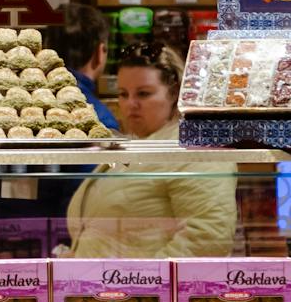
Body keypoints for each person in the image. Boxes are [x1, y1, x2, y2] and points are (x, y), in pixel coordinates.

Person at [65, 42, 238, 258]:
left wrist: (146, 283)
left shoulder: (194, 150)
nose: (130, 104)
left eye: (143, 94)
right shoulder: (134, 144)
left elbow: (209, 237)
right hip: (108, 288)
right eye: (123, 94)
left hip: (141, 290)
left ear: (174, 93)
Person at [0, 4, 115, 233]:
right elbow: (86, 201)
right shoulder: (97, 122)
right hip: (60, 250)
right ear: (100, 52)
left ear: (44, 49)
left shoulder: (0, 108)